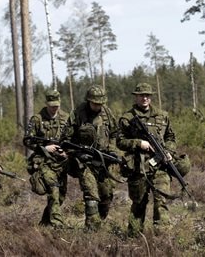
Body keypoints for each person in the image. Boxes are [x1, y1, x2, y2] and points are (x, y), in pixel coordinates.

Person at [117, 83, 179, 237]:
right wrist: (138, 143)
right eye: (141, 95)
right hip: (138, 168)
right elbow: (120, 141)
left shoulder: (162, 116)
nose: (145, 98)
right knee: (138, 204)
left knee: (161, 201)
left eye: (147, 95)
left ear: (151, 97)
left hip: (160, 167)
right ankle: (133, 238)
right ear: (136, 97)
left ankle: (162, 238)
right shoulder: (127, 118)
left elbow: (170, 137)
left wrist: (169, 151)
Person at [61, 85, 119, 231]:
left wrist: (111, 151)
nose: (98, 106)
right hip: (84, 162)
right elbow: (66, 139)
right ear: (89, 101)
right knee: (91, 195)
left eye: (100, 103)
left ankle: (100, 220)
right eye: (95, 103)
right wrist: (77, 153)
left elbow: (114, 133)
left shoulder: (107, 113)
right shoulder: (77, 114)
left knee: (106, 195)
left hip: (104, 162)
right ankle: (92, 230)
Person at [26, 90, 70, 228]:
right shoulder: (37, 119)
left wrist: (65, 151)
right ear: (46, 104)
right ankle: (58, 225)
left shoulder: (66, 118)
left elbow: (71, 139)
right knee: (54, 190)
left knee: (61, 196)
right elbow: (28, 140)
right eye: (51, 105)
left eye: (56, 105)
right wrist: (45, 148)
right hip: (44, 162)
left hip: (60, 162)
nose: (54, 108)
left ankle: (44, 223)